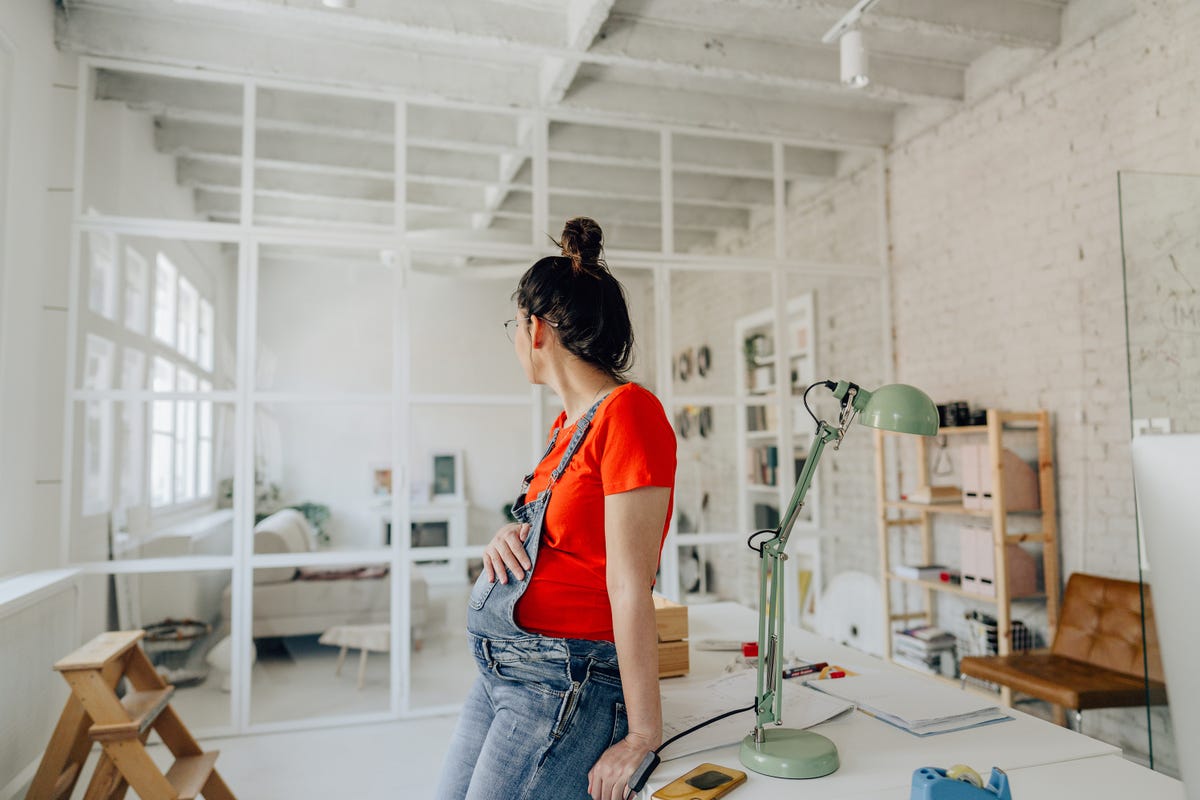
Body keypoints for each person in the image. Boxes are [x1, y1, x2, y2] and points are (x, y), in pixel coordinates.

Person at [435, 218, 677, 800]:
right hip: (503, 671)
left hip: (562, 679)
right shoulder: (566, 425)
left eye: (513, 327)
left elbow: (629, 583)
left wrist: (644, 732)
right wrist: (507, 538)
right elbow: (568, 534)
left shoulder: (630, 413)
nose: (515, 340)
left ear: (536, 329)